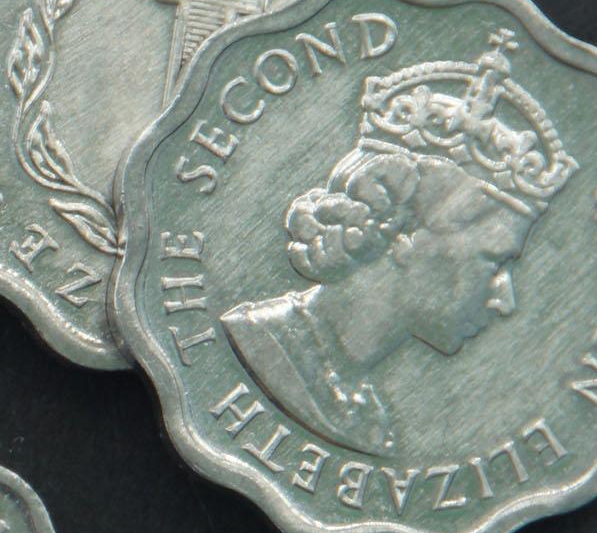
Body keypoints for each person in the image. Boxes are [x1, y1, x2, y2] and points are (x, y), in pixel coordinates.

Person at [221, 29, 576, 455]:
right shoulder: (261, 341)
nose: (504, 298)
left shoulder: (365, 411)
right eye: (492, 261)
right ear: (403, 235)